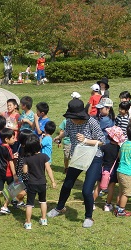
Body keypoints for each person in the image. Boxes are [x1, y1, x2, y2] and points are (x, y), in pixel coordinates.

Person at [48, 98, 106, 228]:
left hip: (93, 157)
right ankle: (59, 208)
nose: (71, 119)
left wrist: (86, 140)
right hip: (78, 156)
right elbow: (67, 132)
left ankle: (88, 217)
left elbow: (102, 141)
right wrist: (59, 137)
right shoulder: (69, 122)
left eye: (73, 117)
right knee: (67, 184)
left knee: (86, 190)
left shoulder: (92, 122)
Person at [23, 135, 57, 230]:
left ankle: (28, 223)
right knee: (43, 201)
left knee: (29, 204)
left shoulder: (27, 158)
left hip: (31, 183)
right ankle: (44, 219)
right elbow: (49, 170)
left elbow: (25, 171)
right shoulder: (44, 156)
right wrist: (53, 181)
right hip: (42, 183)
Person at [114, 123, 131, 217]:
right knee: (127, 193)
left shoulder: (124, 144)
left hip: (120, 170)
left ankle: (117, 208)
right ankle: (121, 211)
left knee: (121, 191)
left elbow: (119, 156)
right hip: (128, 172)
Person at [0, 128, 18, 216]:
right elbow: (10, 162)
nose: (15, 139)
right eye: (13, 138)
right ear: (6, 139)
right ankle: (5, 206)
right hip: (8, 173)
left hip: (0, 172)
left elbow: (3, 158)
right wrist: (15, 175)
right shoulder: (9, 149)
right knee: (13, 190)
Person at [101, 126, 126, 212]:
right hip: (114, 170)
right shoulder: (120, 149)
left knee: (98, 187)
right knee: (111, 188)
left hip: (104, 169)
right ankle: (107, 205)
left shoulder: (105, 147)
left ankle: (92, 203)